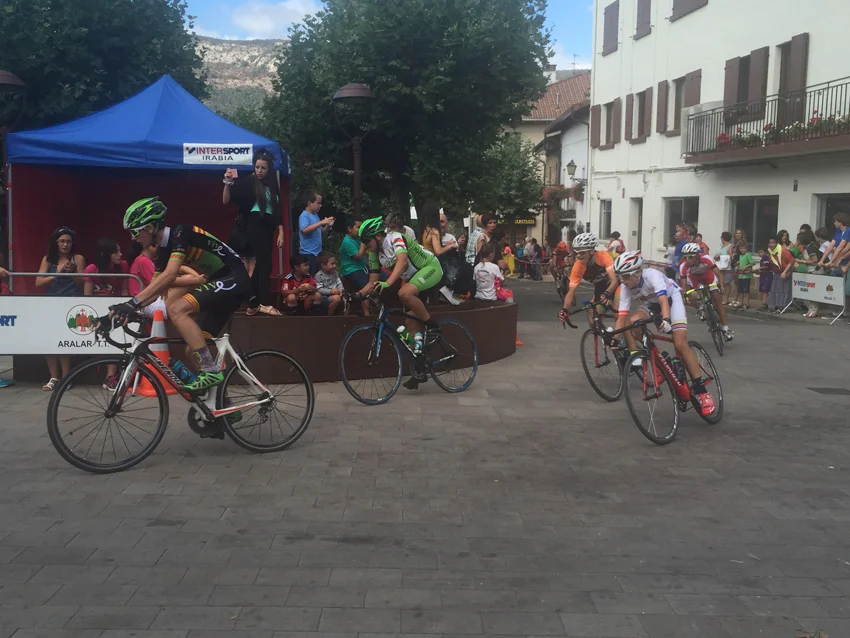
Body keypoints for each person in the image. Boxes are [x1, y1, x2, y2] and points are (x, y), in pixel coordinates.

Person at [110, 197, 250, 392]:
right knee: (192, 351)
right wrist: (124, 310)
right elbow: (155, 290)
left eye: (134, 231)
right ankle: (222, 404)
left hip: (234, 277)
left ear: (150, 227)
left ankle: (211, 370)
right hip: (220, 283)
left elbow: (170, 275)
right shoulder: (164, 251)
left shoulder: (180, 233)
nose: (133, 238)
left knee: (176, 309)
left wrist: (132, 303)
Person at [609, 251, 715, 416]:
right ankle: (659, 360)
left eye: (625, 276)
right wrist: (614, 339)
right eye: (619, 276)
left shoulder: (652, 275)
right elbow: (622, 317)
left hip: (672, 299)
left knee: (679, 343)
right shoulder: (625, 287)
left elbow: (663, 300)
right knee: (633, 322)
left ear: (637, 273)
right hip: (652, 304)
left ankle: (702, 391)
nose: (622, 280)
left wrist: (665, 319)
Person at [358, 215, 443, 386]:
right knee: (410, 324)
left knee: (404, 293)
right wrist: (357, 295)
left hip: (430, 268)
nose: (365, 246)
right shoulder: (374, 253)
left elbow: (402, 262)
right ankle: (420, 369)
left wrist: (388, 283)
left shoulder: (395, 238)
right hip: (413, 279)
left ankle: (433, 326)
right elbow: (372, 281)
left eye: (367, 241)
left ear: (378, 236)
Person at [223, 151, 284, 316]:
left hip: (269, 227)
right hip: (255, 225)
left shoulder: (272, 185)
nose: (259, 171)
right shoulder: (249, 182)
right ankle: (263, 302)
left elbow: (278, 211)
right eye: (257, 167)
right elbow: (227, 200)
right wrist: (227, 183)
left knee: (263, 265)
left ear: (269, 169)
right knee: (264, 265)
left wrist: (281, 231)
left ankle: (253, 303)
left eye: (263, 168)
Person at [35, 227, 86, 392]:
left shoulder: (78, 258)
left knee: (64, 341)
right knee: (50, 340)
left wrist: (73, 273)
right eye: (62, 241)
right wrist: (56, 273)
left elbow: (83, 283)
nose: (65, 245)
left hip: (71, 302)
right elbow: (38, 282)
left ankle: (66, 376)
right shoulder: (48, 259)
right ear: (56, 242)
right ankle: (53, 377)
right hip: (51, 302)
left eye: (68, 241)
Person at [84, 238, 130, 390]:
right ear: (105, 254)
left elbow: (124, 291)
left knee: (115, 337)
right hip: (97, 311)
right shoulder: (92, 269)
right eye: (116, 252)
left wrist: (124, 308)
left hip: (115, 310)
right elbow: (87, 295)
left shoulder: (122, 266)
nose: (120, 254)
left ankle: (110, 377)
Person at [558, 232, 619, 325]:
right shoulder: (578, 266)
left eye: (582, 253)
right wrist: (564, 309)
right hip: (601, 289)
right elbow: (571, 292)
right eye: (576, 253)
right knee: (592, 319)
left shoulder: (603, 256)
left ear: (591, 251)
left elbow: (614, 281)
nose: (578, 256)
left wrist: (607, 293)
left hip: (616, 287)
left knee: (618, 315)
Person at [678, 242, 733, 341]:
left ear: (697, 255)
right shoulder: (684, 266)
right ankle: (701, 308)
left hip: (708, 276)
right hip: (694, 279)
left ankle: (726, 329)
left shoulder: (706, 258)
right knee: (687, 295)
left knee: (717, 299)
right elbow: (684, 285)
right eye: (685, 257)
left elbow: (719, 274)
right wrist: (685, 295)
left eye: (690, 257)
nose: (688, 260)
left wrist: (721, 286)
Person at [298, 191, 333, 275]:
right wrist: (321, 223)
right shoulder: (304, 215)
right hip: (308, 253)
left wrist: (327, 226)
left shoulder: (315, 215)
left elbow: (320, 231)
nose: (320, 206)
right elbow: (305, 230)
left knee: (317, 277)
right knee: (310, 276)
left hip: (317, 253)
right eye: (318, 203)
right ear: (309, 203)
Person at [766, 235, 795, 313]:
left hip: (784, 272)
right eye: (769, 243)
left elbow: (791, 261)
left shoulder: (783, 251)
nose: (771, 245)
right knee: (775, 290)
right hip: (776, 273)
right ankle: (773, 306)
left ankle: (781, 306)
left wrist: (785, 272)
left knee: (782, 290)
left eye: (773, 243)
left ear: (776, 243)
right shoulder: (770, 251)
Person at [714, 232, 735, 305]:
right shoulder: (721, 246)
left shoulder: (730, 246)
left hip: (726, 267)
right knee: (720, 282)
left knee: (726, 283)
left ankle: (726, 298)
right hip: (719, 266)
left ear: (723, 238)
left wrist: (721, 257)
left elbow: (730, 256)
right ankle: (720, 297)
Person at [735, 242, 754, 309]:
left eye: (743, 248)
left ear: (746, 249)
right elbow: (740, 263)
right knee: (740, 290)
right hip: (741, 275)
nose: (742, 250)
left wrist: (746, 266)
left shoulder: (748, 255)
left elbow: (753, 263)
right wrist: (737, 266)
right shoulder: (740, 256)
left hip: (746, 275)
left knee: (746, 291)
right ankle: (740, 303)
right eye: (741, 249)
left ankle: (747, 303)